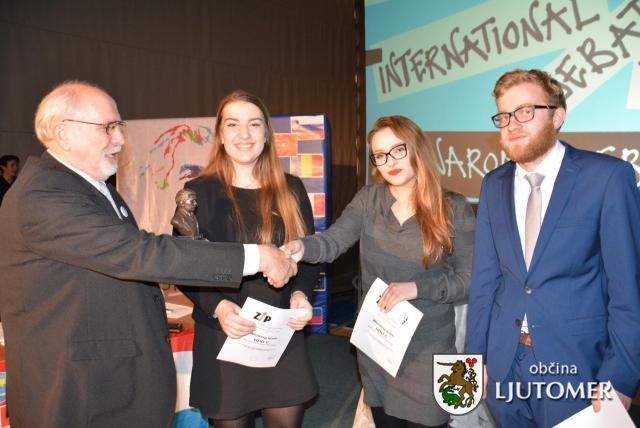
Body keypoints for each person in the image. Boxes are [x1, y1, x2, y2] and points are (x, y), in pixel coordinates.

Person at [0, 81, 297, 428]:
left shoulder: (90, 187)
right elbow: (138, 252)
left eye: (119, 126)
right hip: (75, 391)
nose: (120, 139)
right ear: (63, 132)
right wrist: (257, 257)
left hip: (105, 380)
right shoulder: (44, 194)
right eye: (108, 127)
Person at [465, 69, 640, 427]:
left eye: (525, 111)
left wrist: (620, 376)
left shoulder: (607, 178)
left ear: (558, 116)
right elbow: (484, 282)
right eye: (504, 115)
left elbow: (628, 289)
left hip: (577, 366)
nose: (512, 123)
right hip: (504, 363)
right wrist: (473, 360)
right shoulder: (493, 184)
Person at [283, 115, 475, 427]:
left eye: (398, 150)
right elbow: (332, 241)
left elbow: (469, 279)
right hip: (379, 345)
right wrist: (300, 247)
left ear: (417, 148)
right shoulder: (368, 199)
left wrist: (417, 288)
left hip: (429, 350)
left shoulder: (453, 208)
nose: (390, 162)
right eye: (380, 155)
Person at [176, 90, 321, 428]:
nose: (244, 134)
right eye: (233, 124)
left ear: (267, 134)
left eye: (254, 124)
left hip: (279, 336)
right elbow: (182, 265)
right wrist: (218, 307)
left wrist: (301, 294)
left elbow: (309, 257)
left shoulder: (292, 189)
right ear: (220, 134)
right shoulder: (198, 193)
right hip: (225, 334)